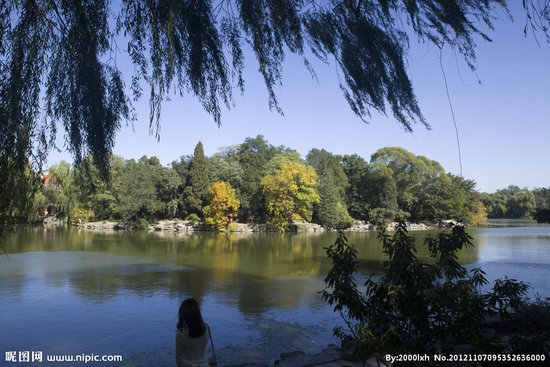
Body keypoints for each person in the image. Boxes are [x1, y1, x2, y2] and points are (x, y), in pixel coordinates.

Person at [175, 298, 212, 367]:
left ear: (182, 314)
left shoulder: (181, 335)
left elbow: (179, 361)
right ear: (198, 313)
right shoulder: (207, 328)